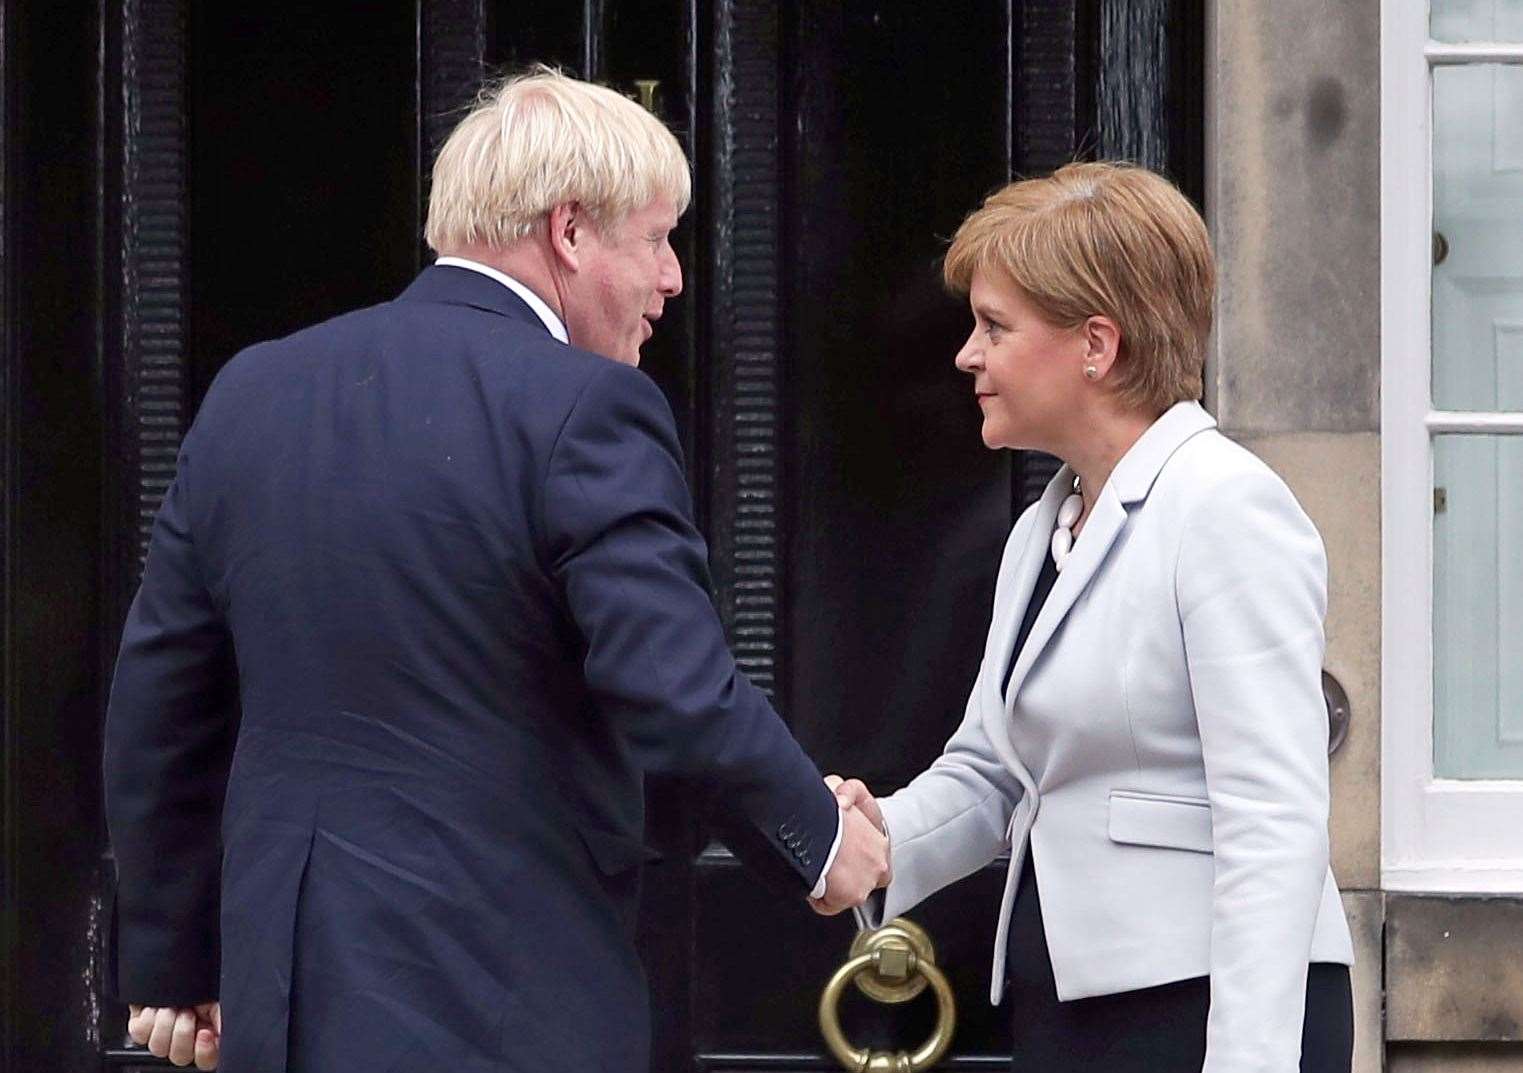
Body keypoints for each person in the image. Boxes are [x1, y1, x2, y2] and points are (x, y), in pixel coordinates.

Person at [103, 67, 889, 1073]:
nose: (673, 279)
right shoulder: (586, 407)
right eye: (654, 238)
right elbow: (673, 688)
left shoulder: (256, 388)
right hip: (503, 1000)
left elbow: (163, 697)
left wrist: (176, 960)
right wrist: (821, 837)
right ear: (569, 232)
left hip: (287, 1004)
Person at [828, 161, 1355, 1073]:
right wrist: (866, 842)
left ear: (1096, 346)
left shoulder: (1224, 506)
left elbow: (1272, 817)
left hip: (1198, 1015)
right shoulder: (1044, 527)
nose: (967, 353)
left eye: (995, 326)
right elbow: (994, 769)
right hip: (1069, 1010)